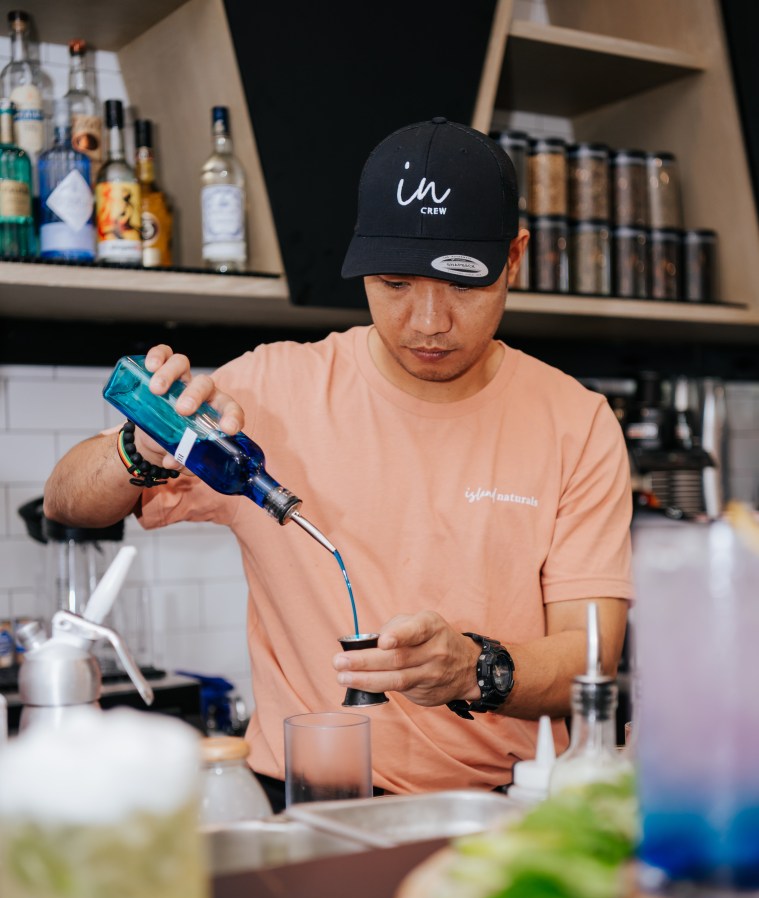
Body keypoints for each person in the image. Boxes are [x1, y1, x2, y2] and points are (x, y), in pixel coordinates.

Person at [44, 117, 633, 811]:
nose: (428, 321)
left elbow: (589, 658)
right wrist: (140, 449)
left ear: (513, 258)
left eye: (462, 284)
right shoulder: (268, 391)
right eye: (395, 283)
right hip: (305, 801)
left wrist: (473, 669)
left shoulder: (574, 421)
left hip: (509, 809)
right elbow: (65, 499)